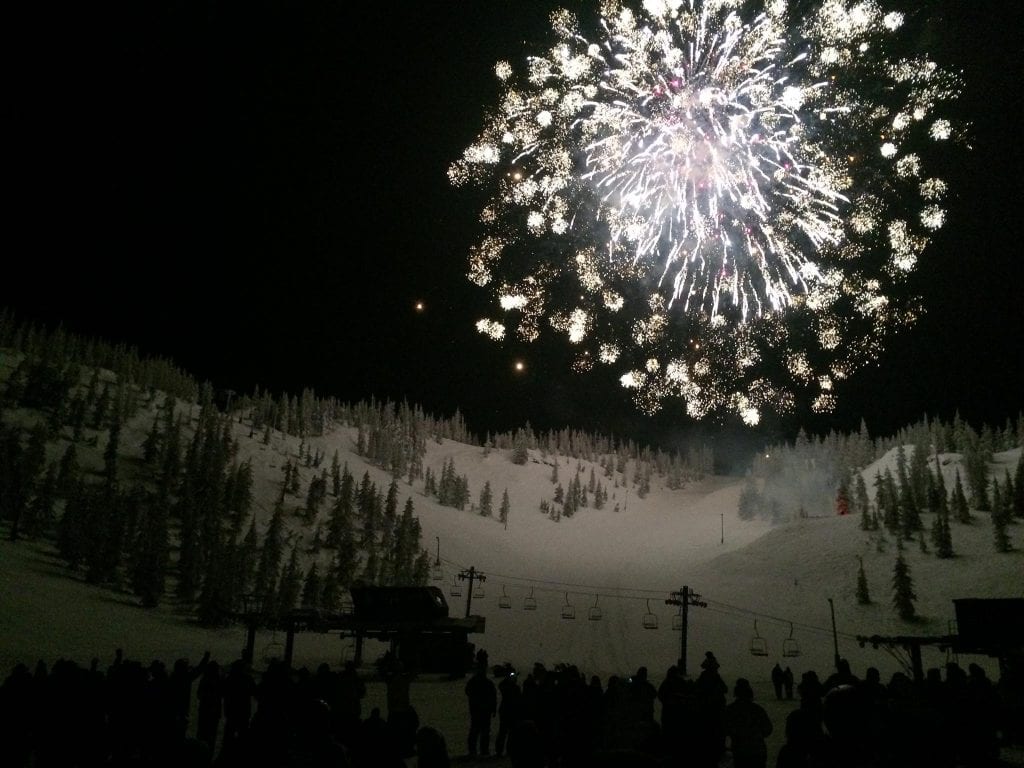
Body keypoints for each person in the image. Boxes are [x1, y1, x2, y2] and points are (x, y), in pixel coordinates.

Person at [723, 677, 773, 768]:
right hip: (758, 750)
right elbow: (768, 729)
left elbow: (724, 729)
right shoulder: (757, 709)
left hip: (740, 750)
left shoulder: (730, 710)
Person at [465, 663, 497, 756]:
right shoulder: (481, 683)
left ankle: (480, 750)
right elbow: (493, 696)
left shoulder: (477, 682)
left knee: (481, 731)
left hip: (481, 710)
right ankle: (478, 750)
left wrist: (493, 708)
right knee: (479, 731)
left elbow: (493, 696)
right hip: (480, 710)